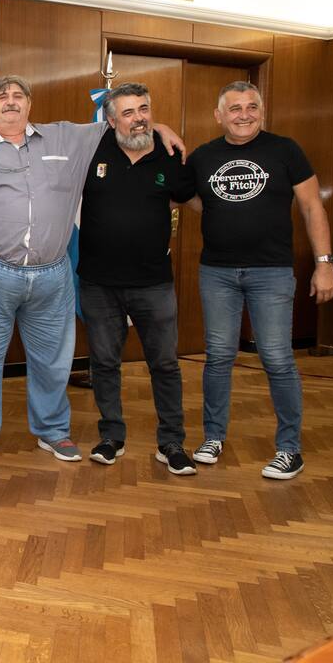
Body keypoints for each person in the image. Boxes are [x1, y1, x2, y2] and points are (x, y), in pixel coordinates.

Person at [0, 75, 183, 464]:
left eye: (18, 95)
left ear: (30, 104)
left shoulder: (66, 138)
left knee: (53, 361)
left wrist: (158, 126)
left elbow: (121, 121)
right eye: (1, 97)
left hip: (52, 275)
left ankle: (53, 431)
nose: (10, 102)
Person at [185, 81, 333, 480]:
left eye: (252, 106)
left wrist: (325, 263)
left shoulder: (285, 151)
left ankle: (290, 449)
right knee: (218, 357)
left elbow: (311, 207)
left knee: (277, 358)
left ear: (262, 110)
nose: (244, 114)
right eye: (234, 108)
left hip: (272, 273)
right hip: (217, 272)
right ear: (219, 115)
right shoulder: (203, 156)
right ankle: (212, 437)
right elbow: (197, 200)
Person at [77, 83, 196, 475]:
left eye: (144, 109)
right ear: (110, 121)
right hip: (99, 283)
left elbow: (188, 195)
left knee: (164, 364)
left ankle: (171, 441)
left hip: (154, 283)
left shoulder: (168, 153)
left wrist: (163, 128)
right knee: (105, 363)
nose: (138, 117)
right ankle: (112, 436)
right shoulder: (91, 151)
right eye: (127, 112)